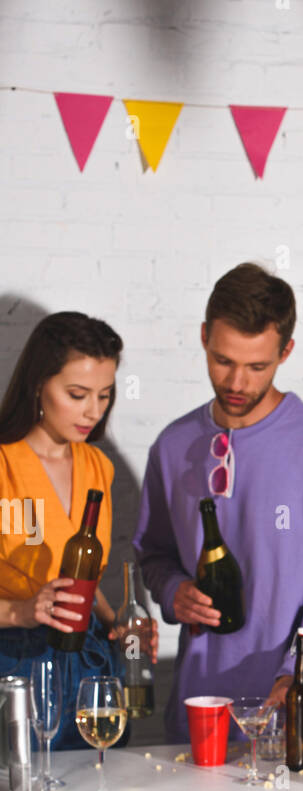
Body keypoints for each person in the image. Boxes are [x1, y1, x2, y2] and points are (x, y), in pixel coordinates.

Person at [133, 262, 303, 742]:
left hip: (288, 711)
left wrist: (298, 672)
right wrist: (174, 591)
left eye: (257, 367)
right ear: (204, 337)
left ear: (286, 351)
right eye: (223, 361)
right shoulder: (172, 445)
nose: (237, 382)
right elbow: (152, 555)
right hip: (197, 712)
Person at [0, 311, 157, 748]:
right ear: (38, 384)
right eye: (77, 394)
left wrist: (118, 625)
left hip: (90, 666)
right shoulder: (4, 465)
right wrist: (20, 611)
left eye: (104, 395)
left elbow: (81, 580)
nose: (94, 411)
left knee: (102, 780)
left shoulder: (96, 467)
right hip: (16, 663)